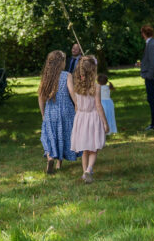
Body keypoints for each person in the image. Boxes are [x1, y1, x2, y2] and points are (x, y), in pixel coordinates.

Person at [68, 55, 108, 183]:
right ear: (93, 71)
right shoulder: (96, 87)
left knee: (85, 149)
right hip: (93, 118)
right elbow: (98, 106)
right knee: (93, 149)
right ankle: (89, 170)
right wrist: (105, 123)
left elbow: (76, 105)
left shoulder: (77, 86)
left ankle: (84, 172)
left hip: (81, 117)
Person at [38, 50, 80, 173]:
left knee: (49, 136)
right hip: (66, 110)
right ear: (61, 62)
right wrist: (77, 105)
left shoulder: (46, 77)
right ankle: (58, 164)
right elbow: (72, 92)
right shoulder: (67, 75)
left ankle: (50, 157)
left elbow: (40, 97)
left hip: (51, 111)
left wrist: (43, 114)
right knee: (63, 135)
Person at [135, 24, 154, 130]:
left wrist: (149, 76)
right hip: (151, 76)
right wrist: (142, 64)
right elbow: (150, 61)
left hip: (151, 77)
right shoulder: (151, 43)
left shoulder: (151, 44)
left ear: (143, 33)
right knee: (151, 99)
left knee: (152, 100)